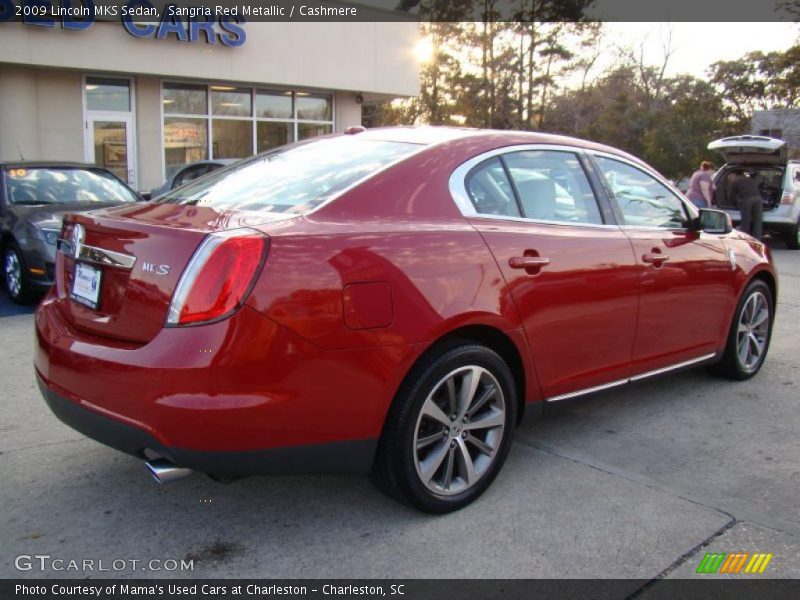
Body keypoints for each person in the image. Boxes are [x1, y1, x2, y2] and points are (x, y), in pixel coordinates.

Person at [728, 168, 763, 240]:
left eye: (731, 175)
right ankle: (758, 240)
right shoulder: (749, 179)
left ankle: (745, 239)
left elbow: (731, 196)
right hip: (758, 199)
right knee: (757, 222)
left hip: (747, 200)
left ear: (734, 174)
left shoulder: (735, 181)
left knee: (746, 221)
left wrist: (734, 205)